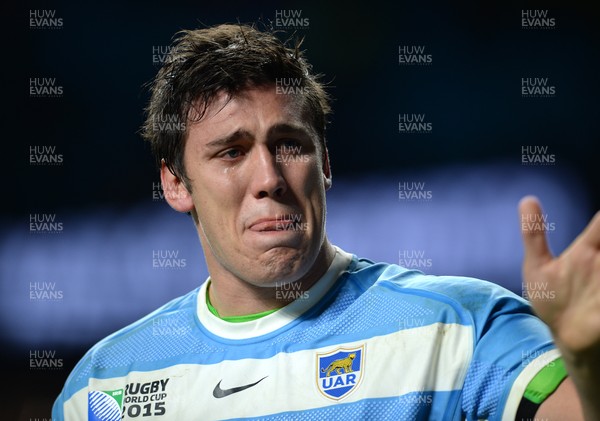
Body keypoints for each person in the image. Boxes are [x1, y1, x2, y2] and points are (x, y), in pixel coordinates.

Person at [52, 23, 600, 420]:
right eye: (231, 152)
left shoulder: (462, 325)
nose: (268, 176)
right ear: (175, 184)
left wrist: (586, 361)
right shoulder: (102, 387)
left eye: (289, 144)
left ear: (326, 164)